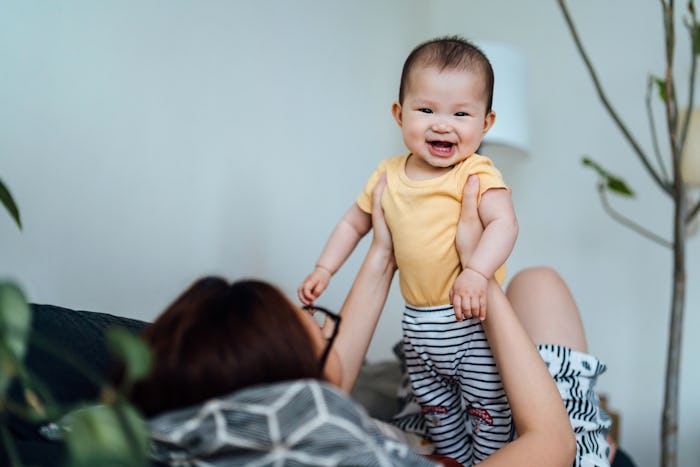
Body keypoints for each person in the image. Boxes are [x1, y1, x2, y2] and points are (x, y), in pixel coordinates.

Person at [127, 175, 577, 466]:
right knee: (540, 284)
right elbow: (553, 442)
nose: (328, 324)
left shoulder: (270, 425)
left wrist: (382, 250)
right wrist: (475, 271)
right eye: (318, 325)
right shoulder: (348, 447)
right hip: (525, 428)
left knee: (536, 284)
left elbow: (328, 378)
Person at [298, 36, 517, 463]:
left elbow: (504, 224)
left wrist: (475, 272)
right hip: (418, 325)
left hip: (472, 321)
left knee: (488, 412)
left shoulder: (476, 171)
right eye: (426, 109)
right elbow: (353, 222)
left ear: (486, 124)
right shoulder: (388, 175)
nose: (442, 124)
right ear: (399, 114)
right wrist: (325, 268)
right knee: (438, 417)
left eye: (461, 113)